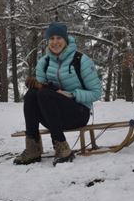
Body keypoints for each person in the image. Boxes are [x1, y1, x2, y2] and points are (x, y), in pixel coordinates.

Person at [14, 22, 103, 166]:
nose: (55, 42)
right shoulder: (44, 62)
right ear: (48, 41)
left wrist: (73, 95)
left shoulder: (80, 60)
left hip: (78, 113)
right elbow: (41, 93)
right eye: (51, 38)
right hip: (52, 116)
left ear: (66, 40)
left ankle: (62, 147)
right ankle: (33, 148)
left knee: (44, 95)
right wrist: (37, 85)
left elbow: (96, 93)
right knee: (31, 95)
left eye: (59, 38)